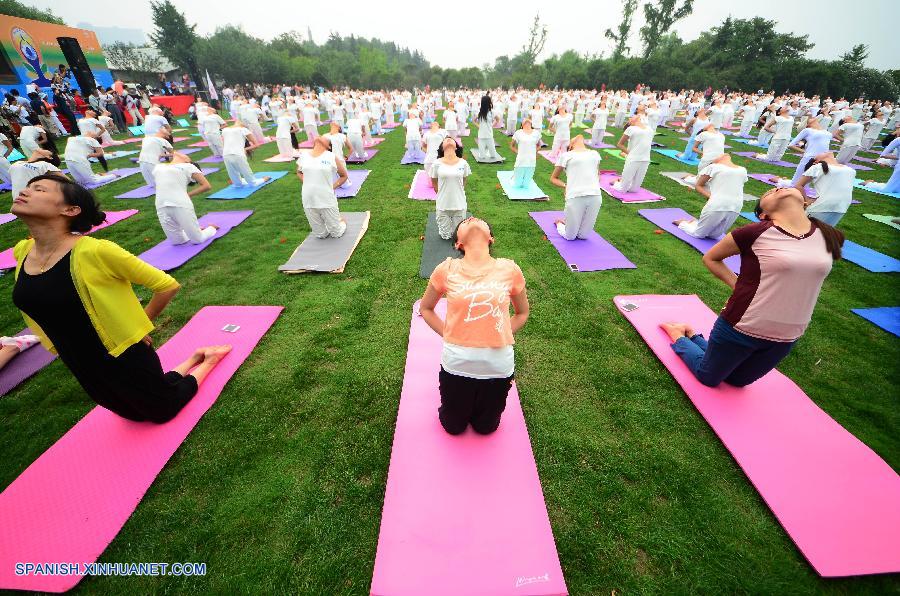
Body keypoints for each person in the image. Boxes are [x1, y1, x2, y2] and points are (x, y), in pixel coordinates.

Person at [10, 174, 233, 423]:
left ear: (70, 209)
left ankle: (209, 360)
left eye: (38, 189)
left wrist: (135, 329)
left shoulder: (96, 251)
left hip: (121, 354)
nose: (25, 191)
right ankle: (193, 357)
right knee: (131, 413)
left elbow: (166, 285)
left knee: (162, 412)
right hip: (77, 359)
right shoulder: (23, 251)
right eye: (28, 187)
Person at [660, 186, 844, 388]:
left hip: (788, 335)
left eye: (780, 187)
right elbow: (711, 258)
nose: (778, 188)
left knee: (737, 380)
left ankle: (694, 336)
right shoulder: (755, 232)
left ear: (805, 201)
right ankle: (679, 334)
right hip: (743, 326)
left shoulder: (828, 235)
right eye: (770, 191)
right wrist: (738, 286)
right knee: (708, 377)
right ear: (764, 214)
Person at [419, 217, 529, 435]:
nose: (473, 219)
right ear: (458, 243)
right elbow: (426, 309)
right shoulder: (446, 269)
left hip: (498, 369)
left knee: (486, 427)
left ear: (491, 238)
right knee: (453, 427)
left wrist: (501, 332)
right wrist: (449, 333)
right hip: (456, 365)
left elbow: (522, 313)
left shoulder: (510, 269)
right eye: (466, 221)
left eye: (480, 220)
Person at [673, 154, 747, 238]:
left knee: (714, 236)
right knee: (699, 235)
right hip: (718, 204)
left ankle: (694, 224)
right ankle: (683, 223)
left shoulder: (742, 170)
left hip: (735, 207)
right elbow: (698, 185)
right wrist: (711, 197)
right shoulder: (713, 167)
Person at [153, 151, 217, 244]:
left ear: (188, 161)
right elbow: (174, 153)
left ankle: (211, 228)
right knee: (177, 241)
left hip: (180, 204)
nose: (185, 155)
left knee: (198, 240)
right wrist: (168, 154)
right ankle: (195, 230)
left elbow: (207, 186)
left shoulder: (189, 167)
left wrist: (188, 195)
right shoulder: (159, 167)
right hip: (161, 205)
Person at [549, 135, 602, 240]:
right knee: (570, 237)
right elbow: (553, 178)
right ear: (571, 145)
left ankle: (569, 223)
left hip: (595, 196)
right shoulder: (566, 156)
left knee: (583, 236)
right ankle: (560, 223)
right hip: (575, 196)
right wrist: (566, 185)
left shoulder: (594, 154)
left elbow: (597, 174)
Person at [297, 137, 349, 239]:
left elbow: (344, 176)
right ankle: (329, 224)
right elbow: (299, 172)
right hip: (308, 199)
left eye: (325, 138)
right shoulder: (304, 155)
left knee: (336, 233)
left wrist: (332, 186)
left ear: (328, 146)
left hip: (326, 198)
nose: (321, 137)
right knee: (321, 235)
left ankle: (341, 222)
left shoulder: (331, 156)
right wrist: (308, 181)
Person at [794, 152, 855, 225]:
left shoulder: (849, 169)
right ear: (816, 161)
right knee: (807, 232)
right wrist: (806, 201)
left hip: (841, 207)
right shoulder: (817, 167)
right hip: (822, 206)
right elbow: (798, 185)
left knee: (825, 234)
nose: (825, 151)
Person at [430, 137, 472, 239]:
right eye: (445, 140)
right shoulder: (436, 163)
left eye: (451, 139)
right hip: (442, 205)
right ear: (442, 148)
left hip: (459, 204)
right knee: (445, 236)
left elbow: (464, 180)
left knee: (457, 235)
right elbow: (434, 181)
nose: (448, 140)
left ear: (456, 147)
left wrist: (458, 192)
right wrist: (440, 194)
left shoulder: (463, 163)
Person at [221, 122, 270, 187]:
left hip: (226, 154)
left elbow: (225, 144)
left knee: (237, 183)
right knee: (253, 182)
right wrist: (245, 149)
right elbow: (257, 145)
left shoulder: (225, 130)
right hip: (238, 154)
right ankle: (264, 179)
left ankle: (239, 181)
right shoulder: (243, 129)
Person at [613, 116, 653, 192]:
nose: (631, 117)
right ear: (630, 122)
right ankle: (615, 182)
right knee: (622, 189)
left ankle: (620, 180)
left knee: (634, 190)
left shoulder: (649, 129)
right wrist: (630, 154)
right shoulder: (631, 129)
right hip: (633, 159)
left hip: (645, 159)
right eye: (630, 118)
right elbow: (620, 144)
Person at [509, 119, 541, 188]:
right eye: (525, 121)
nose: (527, 121)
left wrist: (534, 152)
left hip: (531, 161)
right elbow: (511, 146)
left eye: (529, 121)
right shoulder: (518, 133)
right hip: (521, 160)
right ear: (522, 125)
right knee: (517, 185)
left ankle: (517, 178)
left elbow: (539, 145)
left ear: (531, 124)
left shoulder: (536, 133)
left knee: (526, 185)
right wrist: (518, 152)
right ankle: (514, 177)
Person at [472, 95, 503, 163]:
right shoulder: (479, 112)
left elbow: (497, 119)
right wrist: (478, 126)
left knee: (493, 155)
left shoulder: (492, 112)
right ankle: (484, 152)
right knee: (482, 156)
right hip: (481, 136)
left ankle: (490, 152)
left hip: (489, 135)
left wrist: (492, 125)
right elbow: (473, 120)